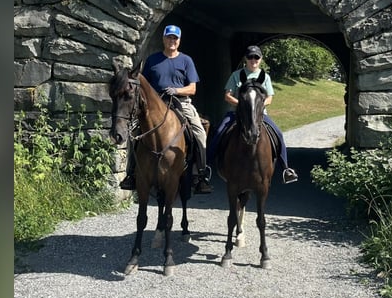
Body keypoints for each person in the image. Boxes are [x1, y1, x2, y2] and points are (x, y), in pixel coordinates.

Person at [119, 24, 213, 194]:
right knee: (134, 133)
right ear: (163, 39)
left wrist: (176, 90)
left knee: (200, 133)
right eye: (169, 37)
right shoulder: (153, 60)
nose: (172, 41)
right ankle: (131, 174)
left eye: (175, 38)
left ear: (179, 41)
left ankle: (201, 175)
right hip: (156, 103)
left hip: (181, 102)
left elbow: (192, 88)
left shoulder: (186, 60)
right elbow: (143, 85)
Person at [208, 45, 298, 184]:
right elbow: (227, 95)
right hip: (236, 113)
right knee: (219, 132)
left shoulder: (265, 77)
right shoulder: (236, 75)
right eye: (250, 57)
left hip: (259, 114)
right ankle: (206, 167)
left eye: (256, 57)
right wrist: (243, 105)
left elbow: (269, 98)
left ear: (260, 59)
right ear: (246, 59)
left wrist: (258, 107)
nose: (253, 60)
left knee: (278, 134)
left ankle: (286, 169)